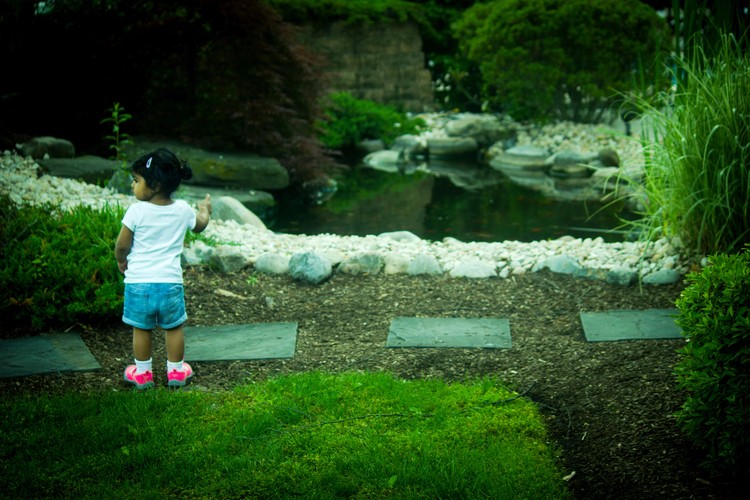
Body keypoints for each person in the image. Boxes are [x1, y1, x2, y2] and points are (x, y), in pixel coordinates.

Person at [114, 148, 212, 389]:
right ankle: (176, 372)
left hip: (139, 283)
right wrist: (204, 210)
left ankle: (143, 374)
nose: (132, 185)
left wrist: (120, 260)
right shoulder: (182, 210)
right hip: (169, 282)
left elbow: (122, 244)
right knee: (174, 327)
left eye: (136, 180)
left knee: (142, 328)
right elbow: (200, 226)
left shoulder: (136, 211)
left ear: (155, 185)